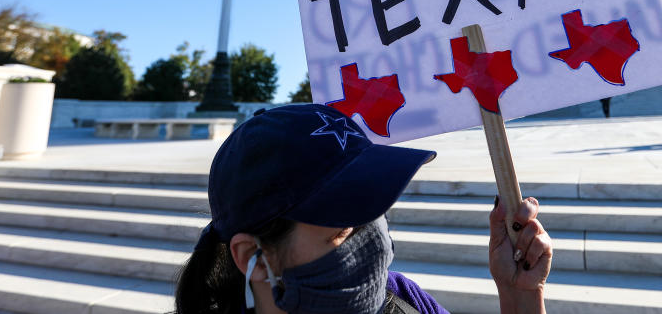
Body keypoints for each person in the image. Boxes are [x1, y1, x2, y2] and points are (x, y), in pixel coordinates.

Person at [175, 103, 552, 314]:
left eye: (375, 209)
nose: (375, 242)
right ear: (253, 256)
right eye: (342, 230)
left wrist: (520, 295)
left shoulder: (401, 298)